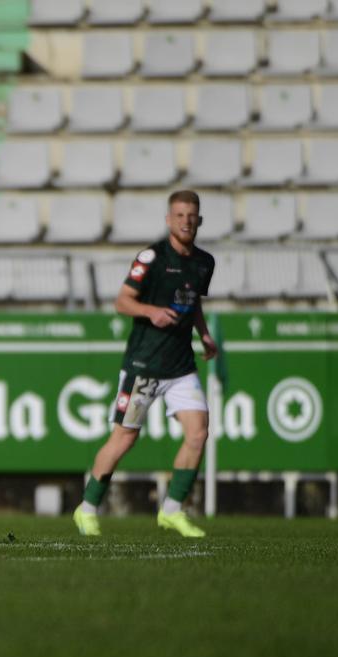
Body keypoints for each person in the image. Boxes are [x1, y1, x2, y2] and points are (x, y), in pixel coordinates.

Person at [73, 190, 218, 539]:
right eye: (179, 215)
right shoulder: (151, 257)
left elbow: (192, 300)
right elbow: (122, 301)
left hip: (181, 364)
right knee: (124, 439)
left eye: (191, 215)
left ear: (199, 220)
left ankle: (172, 510)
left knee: (198, 432)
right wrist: (151, 311)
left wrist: (204, 334)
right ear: (169, 219)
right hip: (144, 363)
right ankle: (88, 507)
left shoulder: (204, 262)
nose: (186, 221)